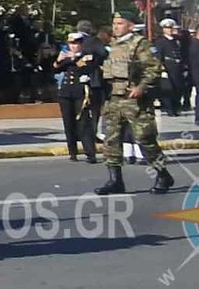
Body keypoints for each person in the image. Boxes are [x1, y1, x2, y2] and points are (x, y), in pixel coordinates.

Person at [93, 11, 174, 195]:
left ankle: (162, 174)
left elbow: (154, 69)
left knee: (144, 138)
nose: (116, 26)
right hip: (114, 97)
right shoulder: (112, 45)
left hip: (134, 98)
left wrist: (142, 87)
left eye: (120, 23)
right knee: (111, 139)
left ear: (130, 25)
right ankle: (115, 180)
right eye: (114, 23)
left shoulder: (141, 44)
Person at [54, 31, 104, 162]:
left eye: (76, 44)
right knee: (68, 122)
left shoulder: (87, 56)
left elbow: (87, 68)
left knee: (83, 122)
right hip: (66, 92)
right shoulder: (67, 56)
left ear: (81, 44)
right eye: (71, 44)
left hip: (80, 92)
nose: (73, 46)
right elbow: (56, 68)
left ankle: (90, 153)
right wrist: (59, 60)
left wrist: (74, 58)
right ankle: (72, 152)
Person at [153, 19, 186, 117]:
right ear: (163, 29)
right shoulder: (160, 41)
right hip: (168, 68)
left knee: (178, 88)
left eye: (171, 28)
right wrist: (162, 69)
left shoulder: (176, 41)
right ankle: (169, 109)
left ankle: (176, 108)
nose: (170, 30)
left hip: (177, 68)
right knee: (168, 89)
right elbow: (158, 56)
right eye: (168, 28)